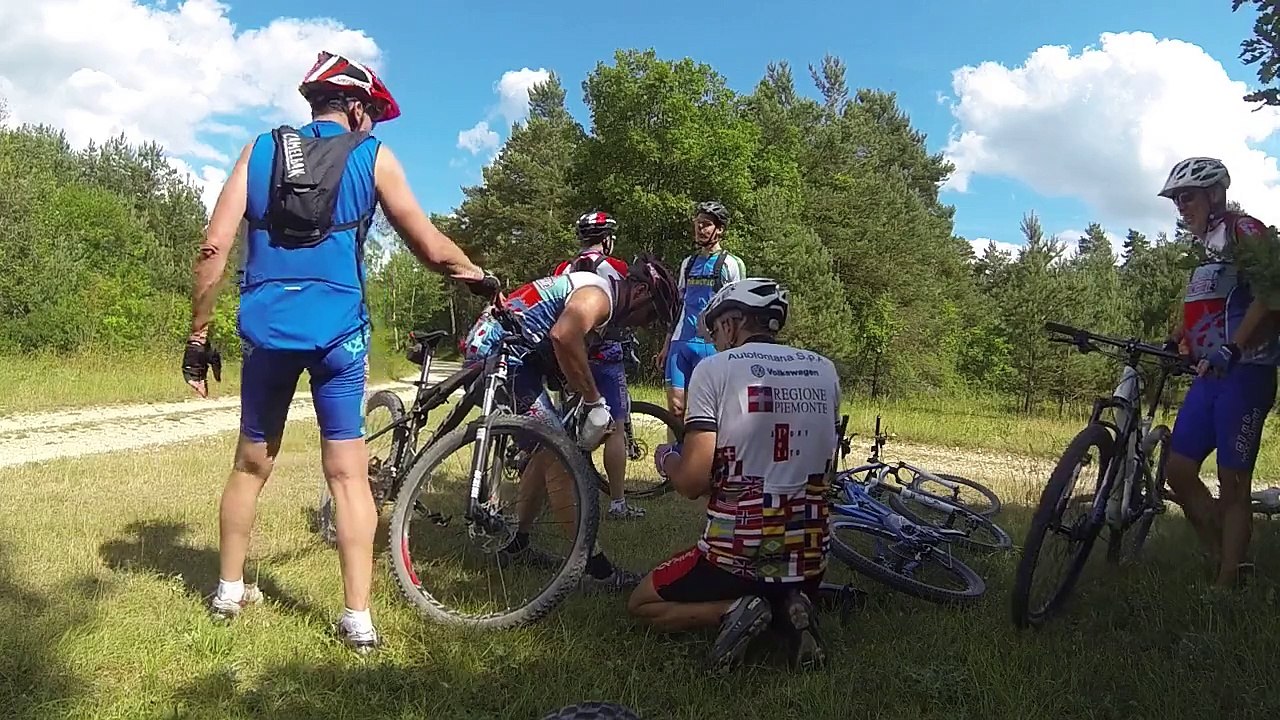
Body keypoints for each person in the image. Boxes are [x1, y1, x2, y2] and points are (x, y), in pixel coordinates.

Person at [181, 51, 489, 653]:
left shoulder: (259, 150)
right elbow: (430, 248)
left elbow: (213, 249)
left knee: (250, 464)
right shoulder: (372, 157)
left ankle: (228, 591)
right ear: (354, 107)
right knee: (348, 476)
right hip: (339, 333)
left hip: (267, 330)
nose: (372, 124)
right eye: (371, 112)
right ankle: (358, 620)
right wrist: (477, 277)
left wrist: (198, 336)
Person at [628, 278, 841, 674]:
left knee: (641, 604)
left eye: (716, 328)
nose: (716, 339)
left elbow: (692, 482)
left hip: (736, 556)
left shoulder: (713, 370)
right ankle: (789, 606)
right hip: (811, 558)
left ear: (734, 321)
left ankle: (736, 608)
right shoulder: (824, 370)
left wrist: (666, 461)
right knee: (785, 570)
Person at [462, 254, 680, 591]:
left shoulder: (595, 293)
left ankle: (517, 544)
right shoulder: (599, 295)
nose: (644, 324)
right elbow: (564, 336)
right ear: (639, 293)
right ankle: (594, 568)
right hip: (501, 355)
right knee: (560, 454)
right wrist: (594, 399)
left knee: (545, 452)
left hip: (511, 353)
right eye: (651, 314)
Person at [1157, 156, 1280, 587]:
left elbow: (1272, 292)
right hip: (1210, 376)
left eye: (1186, 197)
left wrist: (1235, 345)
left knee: (1233, 482)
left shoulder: (1244, 230)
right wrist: (1176, 339)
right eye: (1176, 200)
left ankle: (1228, 585)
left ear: (1214, 194)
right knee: (1178, 470)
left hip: (1248, 373)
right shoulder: (1205, 244)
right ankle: (1224, 556)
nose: (1180, 206)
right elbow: (1200, 304)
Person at [552, 211, 646, 520]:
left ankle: (563, 493)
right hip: (606, 356)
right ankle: (618, 503)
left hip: (571, 356)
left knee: (562, 428)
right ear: (606, 240)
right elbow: (626, 307)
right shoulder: (616, 267)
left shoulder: (562, 269)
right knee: (615, 427)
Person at [658, 201, 746, 424]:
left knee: (711, 412)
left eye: (706, 225)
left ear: (720, 229)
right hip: (681, 342)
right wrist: (667, 344)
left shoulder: (732, 264)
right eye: (697, 224)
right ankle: (676, 455)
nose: (699, 229)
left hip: (712, 346)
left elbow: (740, 309)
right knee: (675, 410)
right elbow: (678, 304)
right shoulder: (688, 263)